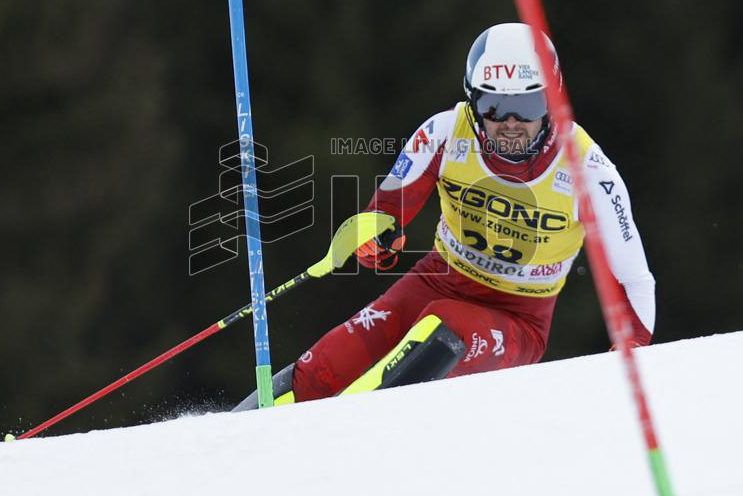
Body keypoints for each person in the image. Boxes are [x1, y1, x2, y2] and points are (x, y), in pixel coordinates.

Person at [234, 22, 655, 410]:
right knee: (323, 369)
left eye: (527, 107)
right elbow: (385, 212)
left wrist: (630, 349)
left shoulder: (589, 170)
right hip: (435, 279)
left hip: (518, 318)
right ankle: (220, 436)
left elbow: (634, 278)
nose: (510, 123)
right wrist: (373, 238)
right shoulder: (442, 133)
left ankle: (349, 428)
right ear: (473, 101)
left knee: (442, 329)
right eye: (493, 106)